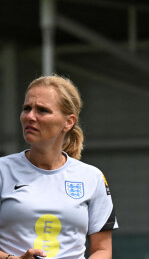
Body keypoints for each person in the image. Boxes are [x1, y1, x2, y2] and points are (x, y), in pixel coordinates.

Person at [0, 75, 118, 259]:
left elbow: (102, 250)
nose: (30, 116)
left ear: (68, 122)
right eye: (27, 108)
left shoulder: (92, 177)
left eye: (42, 110)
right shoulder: (2, 171)